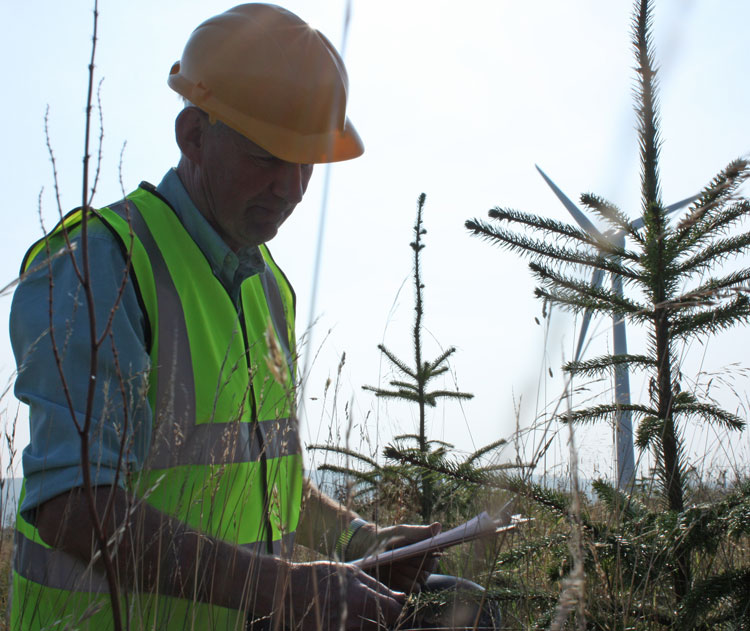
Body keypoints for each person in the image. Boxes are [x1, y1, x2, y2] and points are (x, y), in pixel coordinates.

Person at [10, 4, 498, 630]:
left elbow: (268, 481)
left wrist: (362, 541)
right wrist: (287, 591)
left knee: (458, 607)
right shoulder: (100, 265)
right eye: (269, 155)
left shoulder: (268, 289)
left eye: (307, 162)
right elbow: (72, 505)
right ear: (193, 136)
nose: (293, 186)